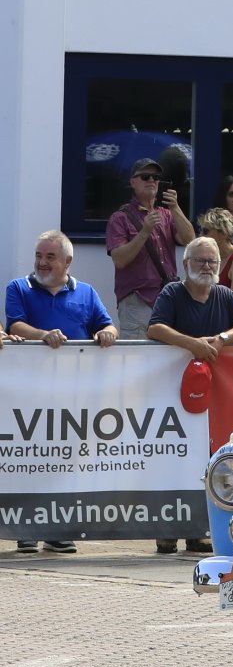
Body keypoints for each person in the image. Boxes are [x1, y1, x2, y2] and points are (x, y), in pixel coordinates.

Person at [6, 231, 117, 554]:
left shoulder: (86, 292)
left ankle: (57, 531)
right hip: (31, 391)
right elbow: (15, 326)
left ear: (67, 261)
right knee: (31, 460)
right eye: (38, 256)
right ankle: (26, 531)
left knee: (65, 461)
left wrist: (107, 334)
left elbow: (107, 324)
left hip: (73, 393)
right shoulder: (18, 288)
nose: (41, 262)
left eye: (50, 257)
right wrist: (43, 335)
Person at [146, 236, 233, 556]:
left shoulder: (225, 295)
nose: (207, 266)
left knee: (209, 461)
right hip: (173, 394)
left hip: (214, 398)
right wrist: (191, 344)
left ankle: (199, 531)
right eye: (200, 261)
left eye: (212, 261)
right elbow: (155, 328)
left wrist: (222, 338)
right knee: (173, 458)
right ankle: (167, 532)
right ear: (186, 264)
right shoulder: (172, 292)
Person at [105, 157, 196, 339]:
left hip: (168, 299)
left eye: (156, 177)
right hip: (137, 300)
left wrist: (176, 208)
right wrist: (144, 231)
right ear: (133, 182)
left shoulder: (167, 214)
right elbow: (119, 260)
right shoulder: (120, 218)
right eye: (145, 177)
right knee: (138, 354)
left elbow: (190, 240)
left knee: (169, 352)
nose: (152, 181)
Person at [197, 208, 233, 316]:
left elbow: (232, 304)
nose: (200, 236)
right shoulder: (210, 258)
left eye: (205, 231)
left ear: (223, 232)